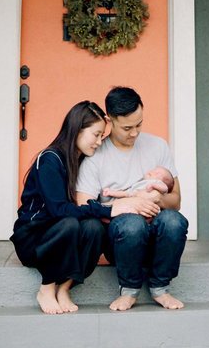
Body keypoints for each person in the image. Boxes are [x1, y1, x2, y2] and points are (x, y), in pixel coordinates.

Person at [11, 100, 159, 315]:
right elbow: (58, 211)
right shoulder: (50, 160)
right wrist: (111, 209)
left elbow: (84, 210)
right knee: (70, 223)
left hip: (62, 235)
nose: (100, 142)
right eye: (96, 134)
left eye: (102, 136)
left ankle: (64, 288)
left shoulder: (80, 160)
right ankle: (47, 287)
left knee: (93, 228)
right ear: (77, 129)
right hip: (34, 239)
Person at [76, 86, 189, 311]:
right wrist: (127, 204)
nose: (135, 133)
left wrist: (157, 200)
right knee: (132, 223)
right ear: (110, 121)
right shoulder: (95, 156)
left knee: (175, 221)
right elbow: (83, 205)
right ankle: (129, 290)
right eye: (127, 128)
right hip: (120, 239)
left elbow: (176, 201)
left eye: (139, 125)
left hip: (157, 233)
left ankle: (160, 288)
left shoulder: (158, 146)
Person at [101, 166, 175, 204]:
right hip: (132, 199)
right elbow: (126, 193)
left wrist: (154, 185)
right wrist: (111, 192)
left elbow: (165, 188)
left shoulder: (157, 183)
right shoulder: (140, 184)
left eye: (158, 173)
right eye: (154, 169)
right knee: (124, 195)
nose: (153, 172)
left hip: (147, 208)